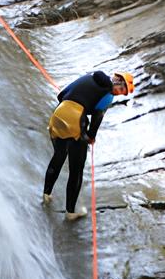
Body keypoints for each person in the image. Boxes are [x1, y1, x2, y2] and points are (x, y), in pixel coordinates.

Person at [44, 71, 134, 220]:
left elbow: (61, 96)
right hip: (75, 120)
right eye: (122, 91)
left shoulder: (87, 77)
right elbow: (98, 116)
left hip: (58, 115)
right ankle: (71, 212)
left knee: (58, 156)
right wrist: (91, 137)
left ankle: (46, 194)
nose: (119, 94)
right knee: (76, 170)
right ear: (119, 82)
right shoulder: (108, 94)